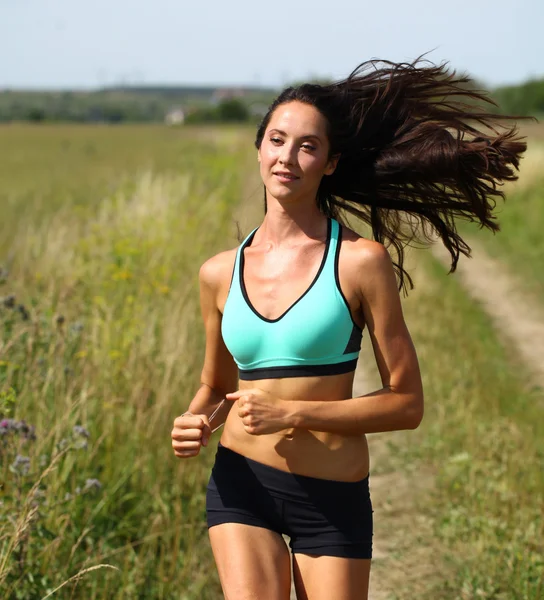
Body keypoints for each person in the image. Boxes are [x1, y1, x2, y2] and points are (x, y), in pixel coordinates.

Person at [171, 58, 526, 600]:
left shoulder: (360, 263)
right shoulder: (218, 273)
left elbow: (406, 405)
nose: (288, 157)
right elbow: (217, 386)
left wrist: (292, 413)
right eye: (277, 140)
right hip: (240, 483)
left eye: (307, 146)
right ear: (259, 147)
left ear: (331, 162)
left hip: (330, 498)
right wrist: (196, 420)